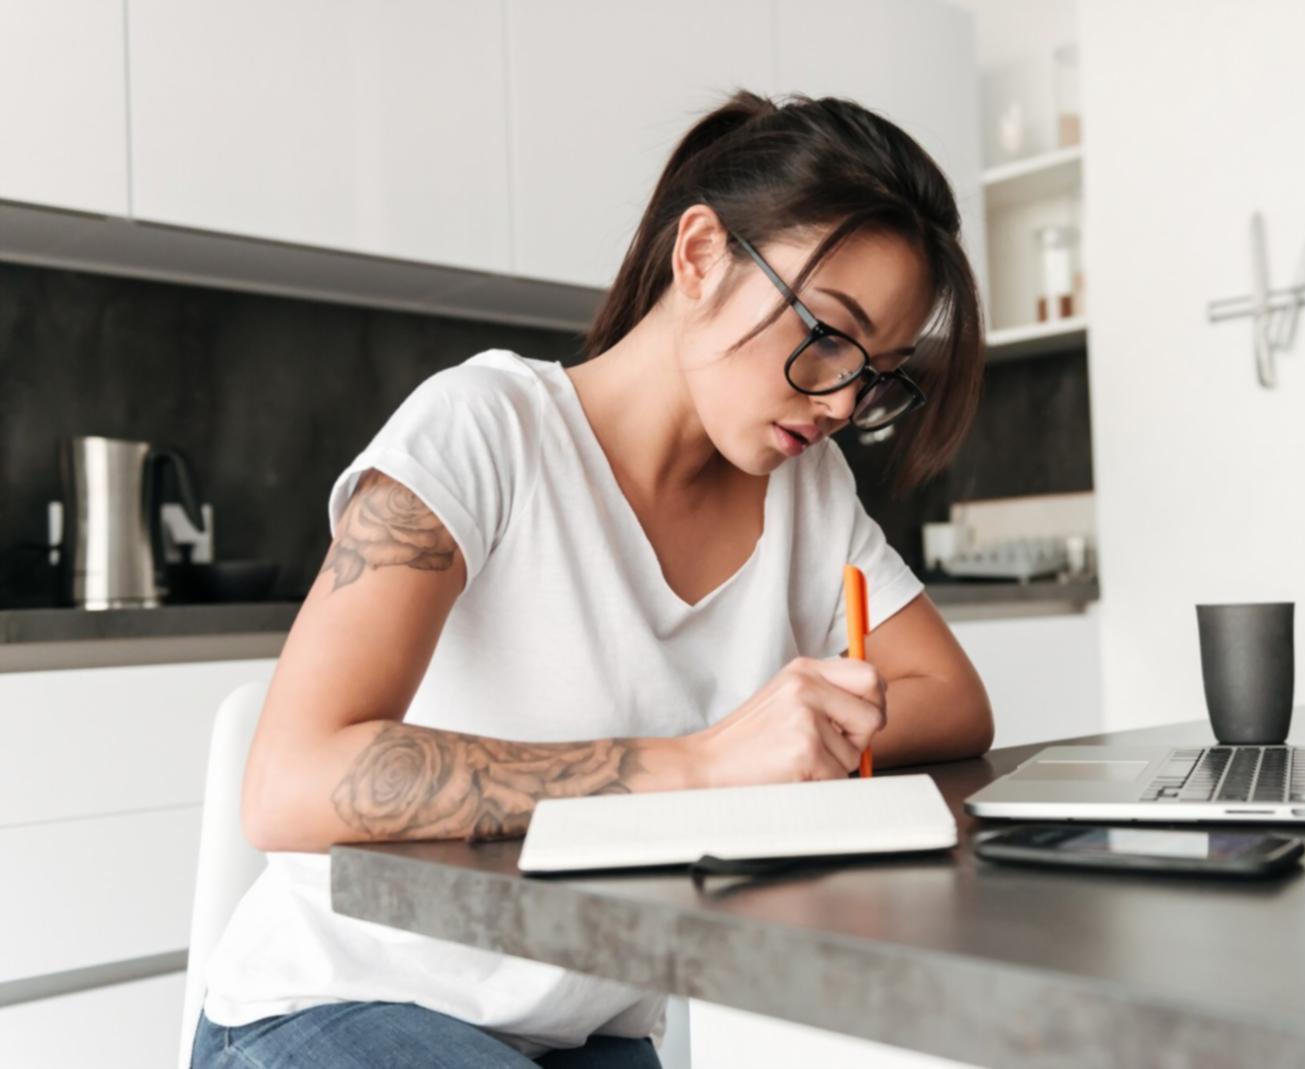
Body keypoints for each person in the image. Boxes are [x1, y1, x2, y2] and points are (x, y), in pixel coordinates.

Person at [192, 89, 993, 1069]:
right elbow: (288, 782)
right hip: (337, 1005)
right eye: (825, 333)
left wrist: (785, 735)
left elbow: (952, 698)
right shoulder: (484, 427)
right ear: (699, 254)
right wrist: (702, 763)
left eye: (878, 373)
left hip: (582, 1030)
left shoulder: (807, 487)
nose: (840, 400)